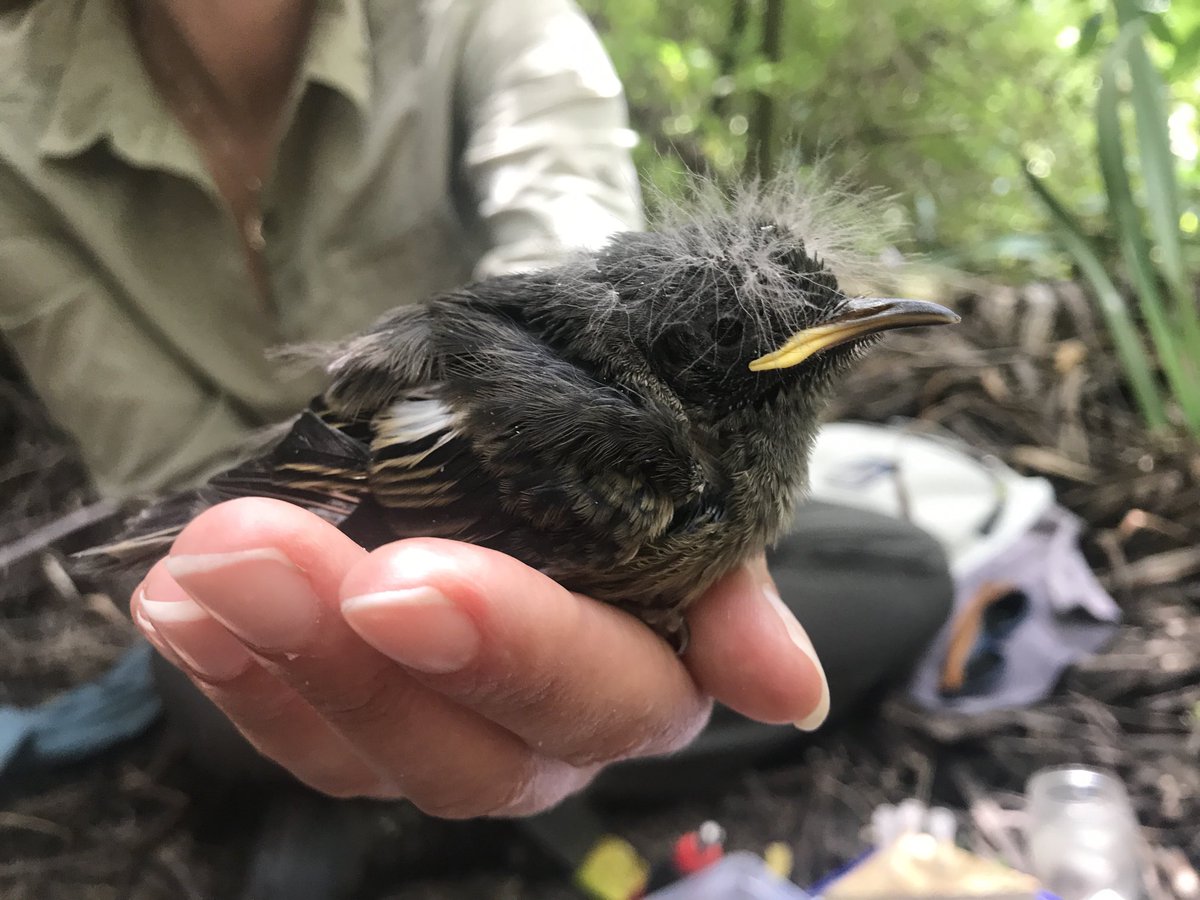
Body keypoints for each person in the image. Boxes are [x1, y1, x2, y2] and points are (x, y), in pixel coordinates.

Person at [0, 0, 952, 825]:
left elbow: (563, 210)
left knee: (899, 573)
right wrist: (236, 527)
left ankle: (469, 810)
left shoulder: (482, 19)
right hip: (331, 527)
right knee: (227, 653)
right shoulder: (653, 465)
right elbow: (247, 486)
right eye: (726, 342)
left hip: (403, 504)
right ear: (675, 368)